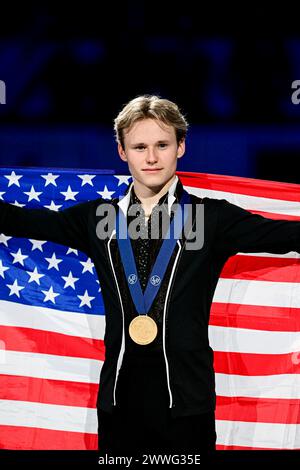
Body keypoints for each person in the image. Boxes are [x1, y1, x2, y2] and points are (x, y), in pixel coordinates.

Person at [1, 95, 300, 461]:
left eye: (162, 145)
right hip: (118, 406)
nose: (152, 157)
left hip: (187, 404)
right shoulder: (98, 219)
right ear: (122, 152)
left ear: (181, 146)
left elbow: (286, 236)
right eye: (139, 147)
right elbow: (20, 220)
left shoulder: (210, 219)